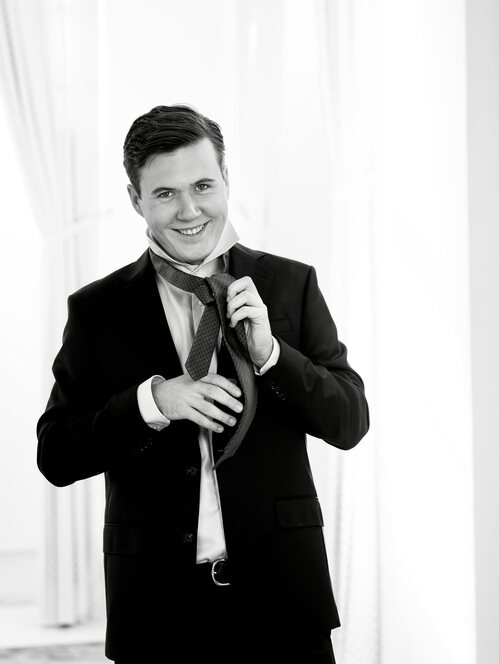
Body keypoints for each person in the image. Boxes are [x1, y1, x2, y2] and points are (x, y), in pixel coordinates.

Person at [37, 104, 369, 664]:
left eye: (203, 186)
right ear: (136, 200)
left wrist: (271, 354)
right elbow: (56, 454)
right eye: (165, 193)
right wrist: (153, 402)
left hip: (284, 602)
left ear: (226, 180)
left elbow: (349, 421)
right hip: (157, 610)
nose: (189, 210)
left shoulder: (290, 284)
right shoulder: (97, 310)